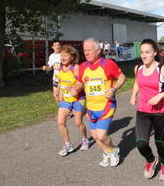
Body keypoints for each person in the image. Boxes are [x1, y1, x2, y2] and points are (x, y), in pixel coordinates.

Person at [70, 37, 126, 167]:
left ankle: (113, 150)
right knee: (95, 136)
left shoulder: (108, 64)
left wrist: (113, 88)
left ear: (98, 50)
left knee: (101, 135)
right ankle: (107, 152)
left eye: (89, 50)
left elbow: (122, 77)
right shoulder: (83, 66)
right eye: (84, 50)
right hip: (91, 107)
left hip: (106, 105)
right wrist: (75, 89)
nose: (86, 53)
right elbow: (80, 83)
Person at [130, 39, 164, 181]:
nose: (144, 55)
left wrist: (161, 95)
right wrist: (133, 95)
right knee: (141, 142)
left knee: (160, 142)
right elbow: (137, 82)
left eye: (147, 52)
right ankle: (151, 160)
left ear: (155, 53)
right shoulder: (138, 68)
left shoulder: (162, 69)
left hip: (160, 112)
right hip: (142, 111)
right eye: (142, 52)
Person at [56, 45, 89, 156]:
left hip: (78, 99)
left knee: (78, 122)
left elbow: (82, 83)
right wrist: (60, 97)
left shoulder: (75, 68)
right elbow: (60, 84)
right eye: (61, 55)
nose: (63, 58)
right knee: (60, 122)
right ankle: (67, 144)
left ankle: (85, 139)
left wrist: (74, 89)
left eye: (66, 55)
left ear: (72, 56)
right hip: (65, 100)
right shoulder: (60, 68)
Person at [42, 38, 61, 105]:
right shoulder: (51, 56)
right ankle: (61, 110)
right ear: (52, 47)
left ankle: (66, 111)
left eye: (58, 45)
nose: (57, 47)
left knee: (62, 96)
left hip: (63, 79)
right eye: (55, 45)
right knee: (56, 95)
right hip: (55, 79)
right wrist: (46, 68)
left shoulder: (63, 55)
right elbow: (50, 68)